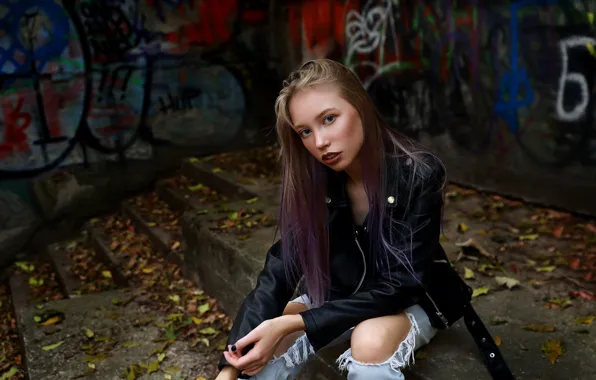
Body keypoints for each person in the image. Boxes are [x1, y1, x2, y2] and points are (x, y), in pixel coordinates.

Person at [214, 59, 470, 380]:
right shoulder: (317, 181)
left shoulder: (418, 173)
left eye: (329, 119)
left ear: (360, 106)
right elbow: (277, 274)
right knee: (267, 334)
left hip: (409, 300)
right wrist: (228, 370)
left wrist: (296, 322)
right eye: (305, 131)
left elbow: (402, 284)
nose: (319, 142)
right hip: (343, 294)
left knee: (369, 340)